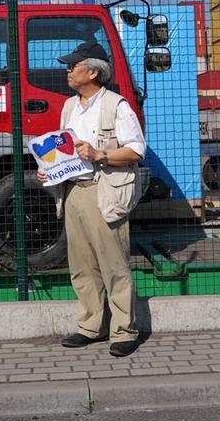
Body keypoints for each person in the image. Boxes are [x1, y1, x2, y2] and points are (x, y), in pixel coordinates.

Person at [36, 41, 146, 357]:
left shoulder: (117, 106)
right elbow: (64, 150)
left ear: (93, 71)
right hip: (73, 192)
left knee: (114, 264)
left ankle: (124, 331)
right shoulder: (70, 106)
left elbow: (136, 150)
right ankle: (91, 326)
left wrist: (100, 154)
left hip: (103, 191)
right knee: (82, 265)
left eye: (74, 65)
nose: (68, 70)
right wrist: (50, 170)